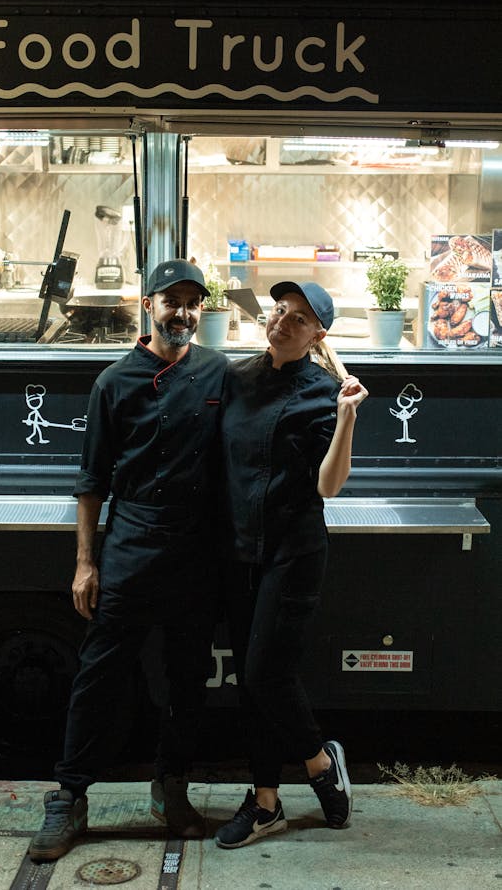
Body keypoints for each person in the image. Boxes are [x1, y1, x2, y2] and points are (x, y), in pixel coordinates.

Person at [29, 259, 228, 862]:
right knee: (100, 675)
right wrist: (86, 563)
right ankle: (69, 797)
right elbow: (92, 482)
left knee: (187, 679)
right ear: (149, 306)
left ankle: (172, 790)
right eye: (172, 302)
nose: (183, 314)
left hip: (196, 554)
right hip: (133, 546)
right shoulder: (113, 382)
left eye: (194, 303)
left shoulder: (220, 373)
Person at [214, 280, 368, 849]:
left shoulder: (325, 391)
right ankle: (265, 803)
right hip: (238, 549)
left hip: (292, 551)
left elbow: (328, 484)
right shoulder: (236, 377)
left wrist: (347, 417)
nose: (283, 321)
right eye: (280, 310)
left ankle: (320, 763)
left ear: (318, 335)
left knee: (264, 675)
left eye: (299, 318)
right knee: (250, 688)